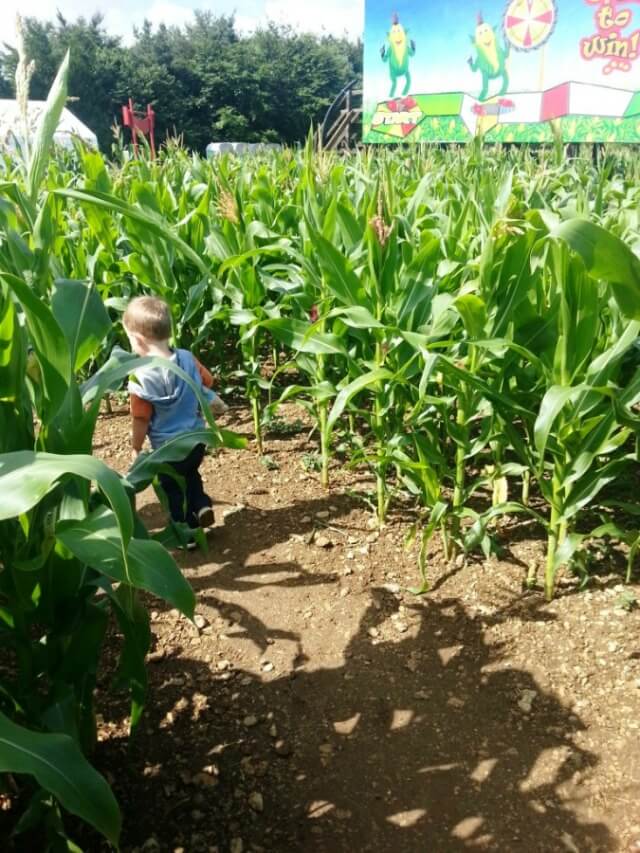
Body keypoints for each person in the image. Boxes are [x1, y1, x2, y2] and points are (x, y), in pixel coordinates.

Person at [123, 295, 227, 540]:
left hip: (167, 450)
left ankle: (187, 531)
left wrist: (136, 446)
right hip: (196, 440)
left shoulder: (140, 377)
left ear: (138, 339)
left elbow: (140, 419)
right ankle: (201, 504)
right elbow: (208, 382)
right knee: (191, 474)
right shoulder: (187, 358)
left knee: (173, 489)